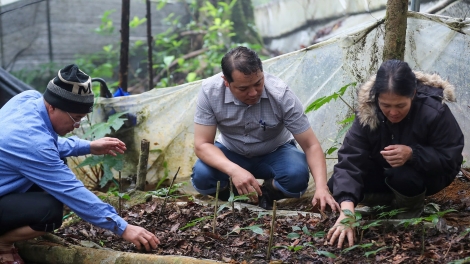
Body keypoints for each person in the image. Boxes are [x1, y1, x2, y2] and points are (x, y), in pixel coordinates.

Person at [0, 64, 160, 263]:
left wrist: (88, 146)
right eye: (75, 119)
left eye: (82, 119)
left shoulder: (28, 100)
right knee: (49, 211)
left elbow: (44, 143)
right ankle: (3, 243)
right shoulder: (32, 142)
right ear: (52, 106)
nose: (76, 126)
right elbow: (71, 190)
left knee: (57, 165)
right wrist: (123, 227)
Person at [326, 59, 464, 248]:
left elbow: (452, 159)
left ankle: (410, 208)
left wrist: (413, 154)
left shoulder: (433, 111)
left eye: (400, 106)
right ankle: (388, 204)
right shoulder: (368, 113)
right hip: (383, 175)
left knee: (402, 175)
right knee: (336, 184)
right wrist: (347, 212)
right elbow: (350, 160)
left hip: (420, 178)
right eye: (385, 105)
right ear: (376, 98)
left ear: (413, 94)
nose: (392, 112)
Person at [190, 46, 340, 212]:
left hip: (275, 151)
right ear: (226, 82)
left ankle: (267, 193)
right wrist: (234, 171)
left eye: (258, 83)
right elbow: (202, 144)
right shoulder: (210, 92)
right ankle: (236, 196)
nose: (253, 93)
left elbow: (311, 145)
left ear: (262, 73)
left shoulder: (281, 94)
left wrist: (321, 188)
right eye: (243, 88)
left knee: (296, 177)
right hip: (231, 150)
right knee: (202, 177)